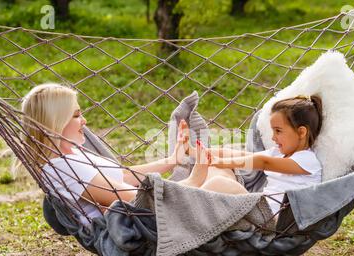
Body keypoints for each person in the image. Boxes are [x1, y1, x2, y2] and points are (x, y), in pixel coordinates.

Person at [13, 84, 240, 226]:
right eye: (76, 115)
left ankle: (248, 224)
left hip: (154, 211)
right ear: (56, 123)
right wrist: (195, 177)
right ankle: (266, 232)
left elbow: (121, 178)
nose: (84, 121)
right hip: (154, 224)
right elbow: (140, 201)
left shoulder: (72, 155)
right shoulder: (64, 168)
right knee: (221, 182)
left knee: (218, 169)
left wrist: (173, 160)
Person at [185, 95, 323, 214]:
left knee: (220, 182)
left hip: (272, 221)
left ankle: (186, 209)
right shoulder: (277, 153)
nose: (273, 138)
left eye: (278, 131)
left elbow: (263, 162)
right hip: (258, 211)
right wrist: (193, 151)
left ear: (301, 132)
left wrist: (222, 161)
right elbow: (233, 153)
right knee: (218, 170)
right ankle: (188, 201)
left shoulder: (308, 160)